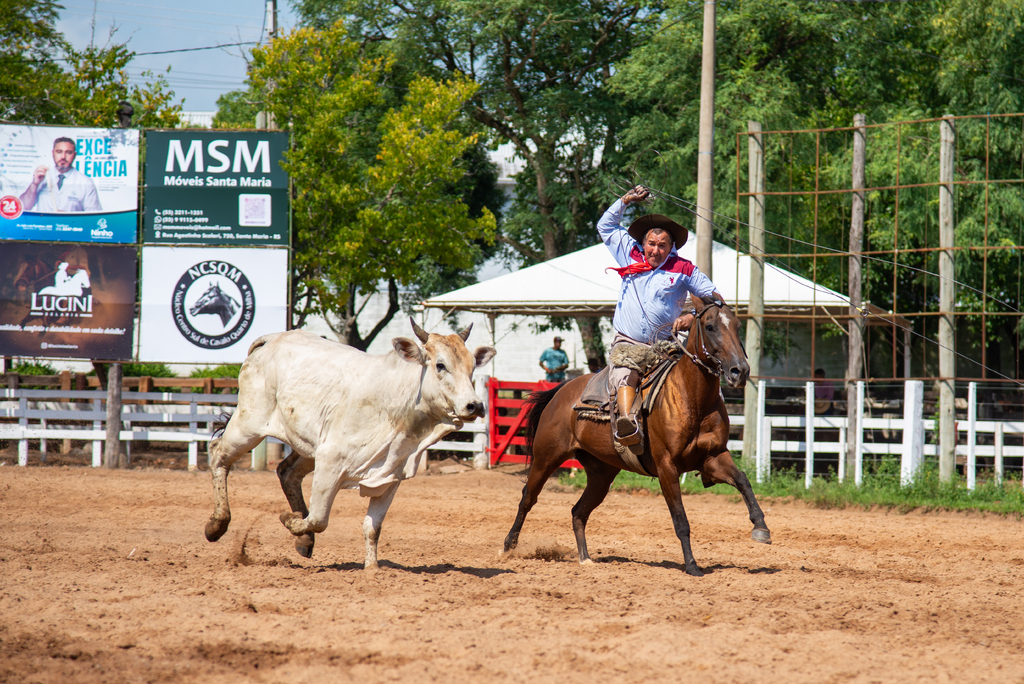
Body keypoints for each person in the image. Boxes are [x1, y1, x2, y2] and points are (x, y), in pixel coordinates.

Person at [599, 185, 723, 444]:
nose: (655, 250)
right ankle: (627, 425)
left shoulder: (684, 269)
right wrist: (625, 200)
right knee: (624, 373)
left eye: (662, 245)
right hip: (629, 343)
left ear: (671, 247)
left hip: (666, 346)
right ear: (643, 243)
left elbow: (715, 299)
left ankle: (711, 437)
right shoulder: (627, 253)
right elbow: (606, 227)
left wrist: (692, 317)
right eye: (651, 244)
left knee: (699, 380)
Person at [19, 137, 102, 213]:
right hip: (43, 228)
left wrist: (68, 218)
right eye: (59, 152)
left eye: (68, 153)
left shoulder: (86, 182)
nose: (63, 157)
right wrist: (34, 184)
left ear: (75, 155)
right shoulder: (41, 177)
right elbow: (24, 207)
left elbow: (94, 217)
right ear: (53, 153)